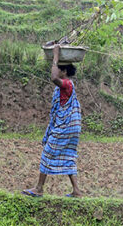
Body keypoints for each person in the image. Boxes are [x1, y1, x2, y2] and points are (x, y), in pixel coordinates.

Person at [23, 44, 82, 198]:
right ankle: (76, 191)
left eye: (59, 68)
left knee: (48, 153)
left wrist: (55, 56)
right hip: (72, 128)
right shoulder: (68, 87)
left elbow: (53, 78)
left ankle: (39, 188)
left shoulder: (67, 84)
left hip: (65, 126)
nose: (57, 70)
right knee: (68, 155)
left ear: (64, 71)